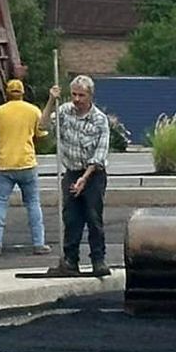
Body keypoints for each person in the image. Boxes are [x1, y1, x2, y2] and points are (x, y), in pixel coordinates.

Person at [48, 75, 113, 277]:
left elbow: (99, 155)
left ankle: (98, 260)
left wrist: (84, 179)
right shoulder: (64, 111)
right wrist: (51, 100)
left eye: (81, 95)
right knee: (71, 218)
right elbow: (42, 126)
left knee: (93, 217)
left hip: (93, 174)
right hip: (71, 171)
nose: (76, 99)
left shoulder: (100, 120)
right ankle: (70, 261)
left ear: (90, 95)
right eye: (74, 94)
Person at [0, 77, 50, 256]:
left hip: (4, 166)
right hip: (27, 164)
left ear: (6, 93)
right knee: (33, 204)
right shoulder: (33, 111)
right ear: (23, 93)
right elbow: (41, 135)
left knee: (0, 204)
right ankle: (39, 244)